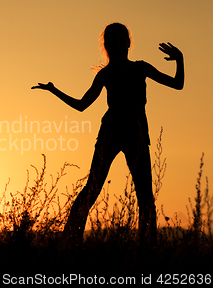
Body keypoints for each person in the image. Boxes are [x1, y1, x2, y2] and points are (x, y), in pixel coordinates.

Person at [32, 23, 184, 245]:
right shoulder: (105, 75)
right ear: (106, 45)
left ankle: (147, 248)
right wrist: (54, 90)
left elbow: (177, 84)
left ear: (129, 43)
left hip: (137, 134)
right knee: (92, 188)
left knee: (145, 196)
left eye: (122, 40)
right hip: (110, 133)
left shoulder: (141, 68)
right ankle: (69, 241)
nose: (118, 44)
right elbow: (82, 105)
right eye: (112, 41)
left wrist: (180, 59)